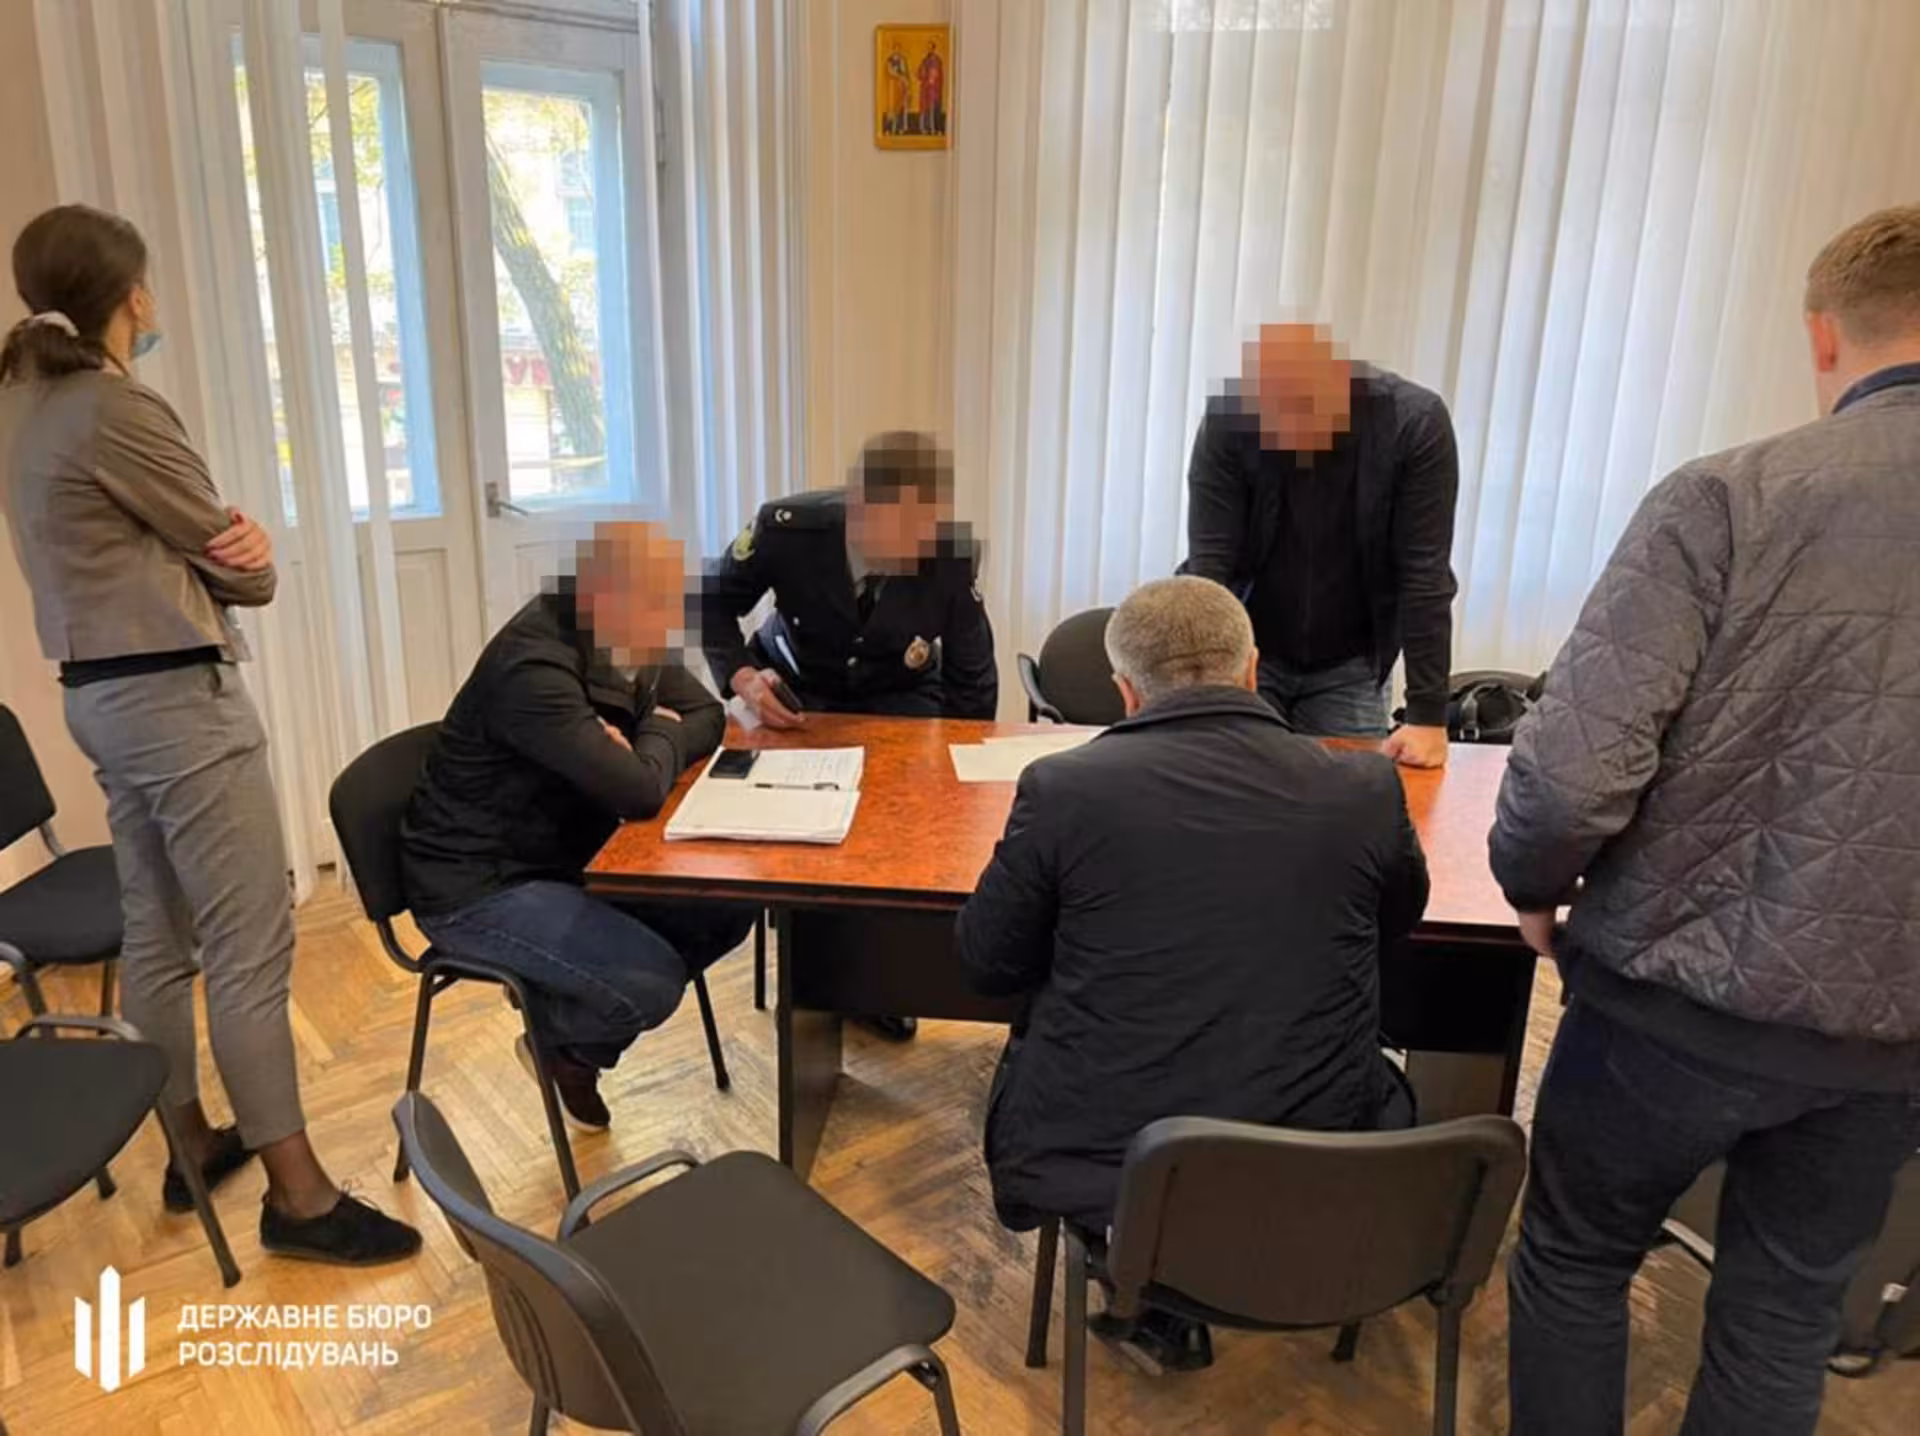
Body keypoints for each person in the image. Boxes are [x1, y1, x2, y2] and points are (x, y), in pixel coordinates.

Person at [1491, 204, 1920, 1436]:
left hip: (1673, 1001)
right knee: (1785, 1317)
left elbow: (1570, 775)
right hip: (1889, 1043)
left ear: (1823, 335)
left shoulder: (1731, 496)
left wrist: (1534, 884)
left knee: (1575, 1255)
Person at [0, 205, 420, 1265]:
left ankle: (188, 1140)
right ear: (129, 294)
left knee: (157, 929)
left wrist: (216, 549)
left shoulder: (21, 402)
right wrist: (250, 554)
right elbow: (245, 568)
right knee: (248, 946)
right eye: (146, 283)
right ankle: (301, 1198)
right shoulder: (113, 405)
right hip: (177, 702)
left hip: (99, 697)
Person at [957, 575, 1428, 1369]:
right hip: (1319, 1156)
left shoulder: (1064, 789)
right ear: (1253, 670)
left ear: (1124, 692)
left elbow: (986, 961)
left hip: (1112, 1159)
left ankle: (1145, 1280)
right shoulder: (1363, 786)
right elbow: (1397, 922)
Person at [403, 522, 756, 1130]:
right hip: (477, 885)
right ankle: (558, 1026)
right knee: (651, 984)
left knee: (727, 907)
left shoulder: (622, 630)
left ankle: (569, 1035)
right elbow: (639, 792)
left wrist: (646, 743)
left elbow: (706, 713)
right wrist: (658, 733)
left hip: (567, 855)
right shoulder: (532, 669)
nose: (667, 630)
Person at [699, 431, 998, 1042]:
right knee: (802, 829)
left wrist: (962, 774)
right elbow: (710, 601)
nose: (914, 550)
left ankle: (877, 979)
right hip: (796, 689)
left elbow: (972, 674)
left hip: (897, 693)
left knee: (897, 831)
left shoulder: (950, 551)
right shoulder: (787, 529)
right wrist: (742, 677)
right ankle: (810, 957)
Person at [1183, 322, 1459, 767]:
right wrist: (1203, 691)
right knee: (1228, 783)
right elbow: (1209, 568)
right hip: (1247, 653)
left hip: (1351, 661)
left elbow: (1424, 574)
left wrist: (1428, 716)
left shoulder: (1414, 424)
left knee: (1348, 795)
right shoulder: (1230, 421)